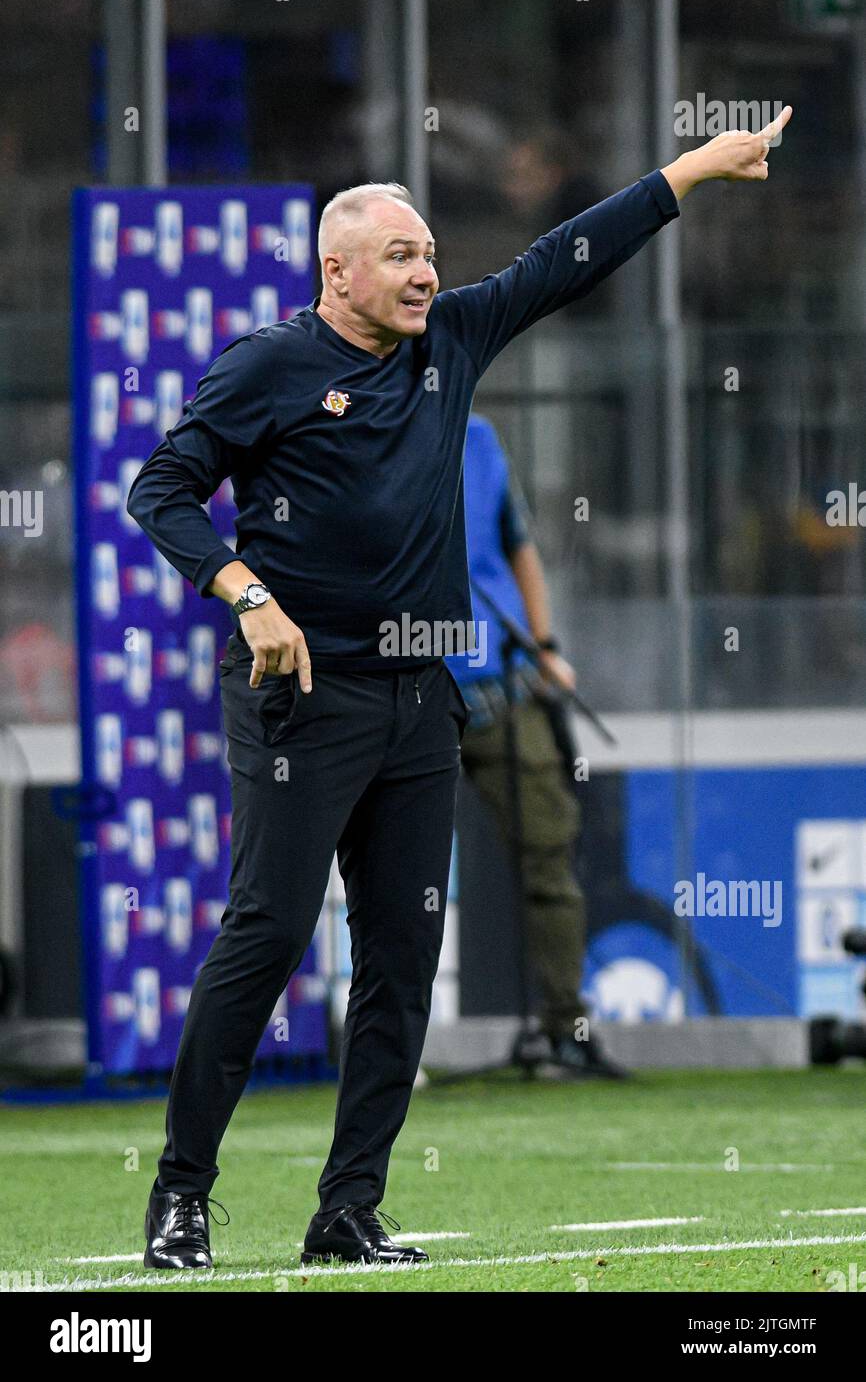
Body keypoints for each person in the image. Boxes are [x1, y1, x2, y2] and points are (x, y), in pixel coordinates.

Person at [126, 105, 793, 1270]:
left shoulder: (452, 343)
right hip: (302, 697)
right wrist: (245, 592)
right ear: (335, 273)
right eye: (400, 254)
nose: (427, 269)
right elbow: (162, 489)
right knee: (268, 933)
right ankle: (181, 1193)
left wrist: (695, 165)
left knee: (401, 955)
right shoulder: (271, 364)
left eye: (430, 251)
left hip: (421, 698)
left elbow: (565, 256)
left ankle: (347, 1210)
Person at [446, 412, 627, 1078]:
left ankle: (564, 1029)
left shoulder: (481, 437)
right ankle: (387, 1052)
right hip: (401, 692)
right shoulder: (359, 423)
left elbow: (518, 543)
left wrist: (546, 645)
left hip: (500, 686)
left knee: (552, 853)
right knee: (393, 875)